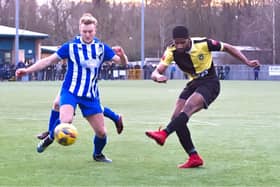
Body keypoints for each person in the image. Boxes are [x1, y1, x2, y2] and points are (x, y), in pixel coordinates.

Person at [16, 13, 128, 163]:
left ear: (95, 31)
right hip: (71, 91)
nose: (87, 34)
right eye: (84, 31)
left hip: (91, 95)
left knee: (102, 133)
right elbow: (48, 61)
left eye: (90, 31)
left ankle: (98, 155)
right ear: (80, 30)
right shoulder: (70, 47)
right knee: (66, 120)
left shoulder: (102, 48)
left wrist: (122, 56)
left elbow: (122, 64)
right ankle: (50, 137)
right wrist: (27, 70)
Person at [145, 26, 260, 169]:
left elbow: (228, 47)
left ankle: (164, 134)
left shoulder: (203, 44)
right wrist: (158, 76)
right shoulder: (171, 51)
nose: (179, 46)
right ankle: (194, 157)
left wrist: (247, 62)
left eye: (182, 42)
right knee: (176, 118)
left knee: (188, 107)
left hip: (210, 83)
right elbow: (156, 71)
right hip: (193, 83)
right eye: (177, 42)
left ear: (188, 39)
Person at [36, 92, 124, 140]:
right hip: (70, 79)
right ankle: (50, 131)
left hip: (85, 80)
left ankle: (115, 117)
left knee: (95, 109)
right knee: (56, 104)